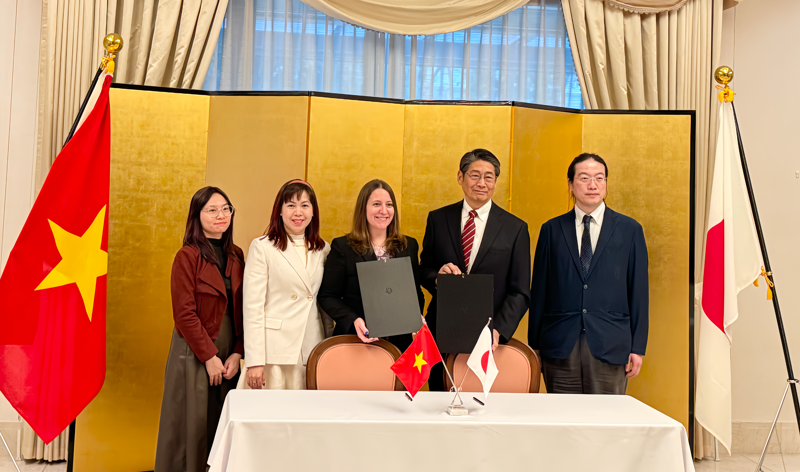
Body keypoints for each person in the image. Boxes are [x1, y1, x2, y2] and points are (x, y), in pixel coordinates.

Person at [528, 153, 648, 394]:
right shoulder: (551, 230)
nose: (593, 185)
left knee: (606, 423)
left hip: (611, 344)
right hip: (559, 345)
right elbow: (539, 290)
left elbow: (639, 292)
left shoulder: (629, 230)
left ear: (605, 183)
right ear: (571, 185)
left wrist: (637, 346)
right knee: (563, 421)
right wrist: (535, 346)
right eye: (584, 178)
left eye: (599, 178)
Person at [419, 149, 531, 391]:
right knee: (438, 402)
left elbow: (520, 291)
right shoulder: (438, 219)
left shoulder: (515, 228)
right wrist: (438, 278)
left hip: (489, 337)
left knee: (481, 407)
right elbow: (423, 269)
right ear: (460, 177)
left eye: (489, 177)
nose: (482, 183)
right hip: (441, 332)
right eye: (475, 175)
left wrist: (498, 330)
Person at [155, 187, 244, 472]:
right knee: (191, 427)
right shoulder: (187, 256)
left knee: (222, 424)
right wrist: (209, 356)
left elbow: (245, 310)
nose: (221, 215)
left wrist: (238, 353)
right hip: (193, 352)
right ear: (197, 215)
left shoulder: (237, 255)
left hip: (229, 352)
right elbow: (183, 313)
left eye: (226, 209)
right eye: (212, 210)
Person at [239, 180, 330, 390]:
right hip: (274, 352)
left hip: (311, 347)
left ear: (313, 211)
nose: (298, 212)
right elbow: (252, 307)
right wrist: (254, 361)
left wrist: (327, 344)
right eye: (291, 205)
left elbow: (324, 303)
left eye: (305, 205)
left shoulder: (323, 249)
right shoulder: (263, 247)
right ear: (279, 211)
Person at [319, 179, 425, 353]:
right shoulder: (343, 247)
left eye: (389, 205)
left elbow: (416, 292)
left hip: (400, 346)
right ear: (363, 208)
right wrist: (353, 319)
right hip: (357, 342)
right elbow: (328, 296)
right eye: (376, 204)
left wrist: (414, 316)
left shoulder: (408, 245)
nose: (384, 211)